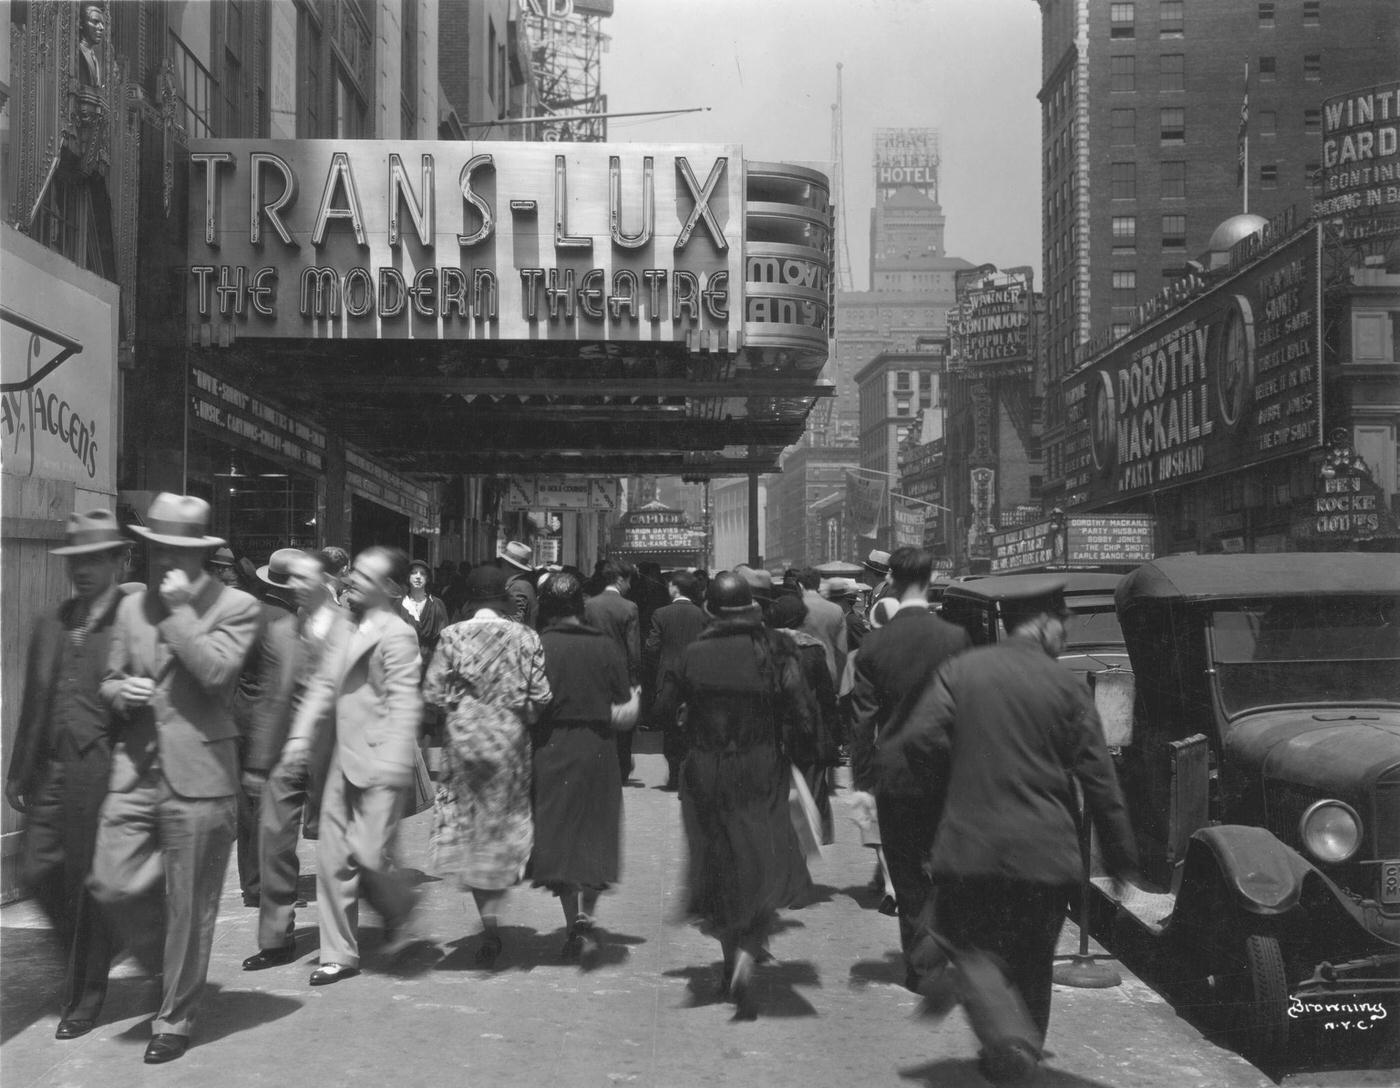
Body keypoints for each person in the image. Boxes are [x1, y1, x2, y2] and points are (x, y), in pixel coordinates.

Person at [892, 579, 1140, 1081]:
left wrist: (956, 785)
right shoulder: (1067, 688)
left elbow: (917, 741)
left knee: (976, 949)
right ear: (1046, 624)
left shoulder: (961, 671)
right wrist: (1119, 859)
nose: (1066, 635)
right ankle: (1019, 1055)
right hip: (1045, 857)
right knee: (1032, 965)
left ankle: (1007, 1047)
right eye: (1065, 624)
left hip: (969, 849)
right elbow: (1099, 780)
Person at [90, 493, 261, 1064]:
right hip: (136, 770)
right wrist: (121, 691)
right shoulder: (131, 607)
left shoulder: (239, 606)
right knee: (110, 882)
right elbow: (110, 679)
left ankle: (175, 1017)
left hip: (202, 773)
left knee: (193, 908)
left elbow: (215, 675)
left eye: (177, 551)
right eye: (157, 549)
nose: (165, 561)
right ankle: (169, 960)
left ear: (201, 554)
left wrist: (184, 612)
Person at [5, 511, 129, 1041]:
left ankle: (83, 997)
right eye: (76, 560)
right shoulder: (51, 621)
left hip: (104, 771)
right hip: (51, 770)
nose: (83, 570)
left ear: (118, 561)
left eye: (95, 559)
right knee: (35, 872)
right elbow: (34, 703)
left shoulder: (134, 621)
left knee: (87, 883)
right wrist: (17, 771)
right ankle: (91, 952)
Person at [672, 572, 816, 1020]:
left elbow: (667, 713)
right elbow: (802, 713)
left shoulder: (694, 653)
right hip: (761, 767)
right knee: (763, 859)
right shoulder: (775, 648)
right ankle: (748, 955)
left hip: (705, 767)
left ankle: (729, 958)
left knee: (716, 863)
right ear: (753, 608)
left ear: (711, 610)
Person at [279, 547, 423, 987]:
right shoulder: (345, 625)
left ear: (392, 589)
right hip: (340, 760)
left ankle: (400, 906)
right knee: (331, 860)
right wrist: (301, 737)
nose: (353, 580)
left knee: (367, 859)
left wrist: (394, 770)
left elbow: (402, 705)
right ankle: (339, 954)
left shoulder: (399, 635)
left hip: (381, 763)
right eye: (354, 572)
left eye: (366, 576)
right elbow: (323, 685)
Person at [848, 546, 971, 991]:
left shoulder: (875, 643)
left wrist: (861, 784)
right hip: (947, 769)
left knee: (905, 870)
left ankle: (922, 968)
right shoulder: (955, 639)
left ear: (893, 581)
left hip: (895, 772)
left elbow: (862, 719)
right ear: (930, 576)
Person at [421, 565, 551, 966]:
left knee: (472, 828)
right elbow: (542, 696)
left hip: (463, 746)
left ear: (472, 600)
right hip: (509, 743)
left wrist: (462, 707)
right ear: (502, 598)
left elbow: (432, 693)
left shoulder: (452, 636)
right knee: (504, 823)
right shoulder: (526, 636)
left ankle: (488, 923)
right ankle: (499, 885)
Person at [241, 550, 339, 972]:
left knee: (339, 852)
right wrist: (258, 762)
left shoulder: (350, 626)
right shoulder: (280, 630)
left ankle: (339, 943)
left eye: (301, 580)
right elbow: (271, 698)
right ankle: (276, 939)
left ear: (322, 579)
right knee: (274, 842)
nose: (294, 588)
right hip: (286, 754)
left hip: (335, 753)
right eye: (288, 583)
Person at [532, 572, 637, 963]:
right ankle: (585, 915)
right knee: (595, 832)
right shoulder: (606, 648)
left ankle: (569, 916)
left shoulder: (538, 646)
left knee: (559, 835)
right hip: (598, 747)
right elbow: (623, 704)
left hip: (550, 747)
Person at [232, 549, 302, 909]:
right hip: (274, 722)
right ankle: (271, 886)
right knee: (276, 809)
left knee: (249, 810)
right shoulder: (288, 622)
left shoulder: (250, 614)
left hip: (241, 714)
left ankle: (252, 884)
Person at [767, 595, 839, 844]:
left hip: (770, 730)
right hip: (808, 730)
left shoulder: (761, 647)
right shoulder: (813, 649)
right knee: (811, 790)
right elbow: (828, 697)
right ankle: (807, 844)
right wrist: (834, 734)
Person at [646, 570, 708, 790]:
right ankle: (688, 776)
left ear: (675, 588)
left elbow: (652, 647)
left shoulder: (661, 614)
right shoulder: (702, 615)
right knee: (692, 727)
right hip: (696, 677)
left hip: (669, 679)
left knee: (670, 730)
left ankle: (674, 775)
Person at [584, 559, 641, 782]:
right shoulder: (629, 607)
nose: (629, 585)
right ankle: (622, 767)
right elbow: (633, 647)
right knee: (623, 723)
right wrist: (636, 680)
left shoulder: (590, 605)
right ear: (619, 580)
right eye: (628, 580)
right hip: (621, 672)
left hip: (593, 669)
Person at [794, 567, 847, 685]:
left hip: (800, 673)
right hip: (829, 672)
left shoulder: (794, 608)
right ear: (818, 584)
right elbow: (841, 650)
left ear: (800, 585)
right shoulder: (836, 610)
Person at [397, 558, 450, 668]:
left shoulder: (437, 604)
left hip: (431, 665)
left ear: (427, 578)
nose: (418, 576)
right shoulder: (399, 604)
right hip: (403, 664)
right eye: (414, 573)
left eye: (423, 574)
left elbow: (444, 639)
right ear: (408, 577)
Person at [497, 540, 539, 627]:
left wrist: (493, 616)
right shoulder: (521, 583)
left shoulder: (518, 586)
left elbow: (515, 621)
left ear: (505, 564)